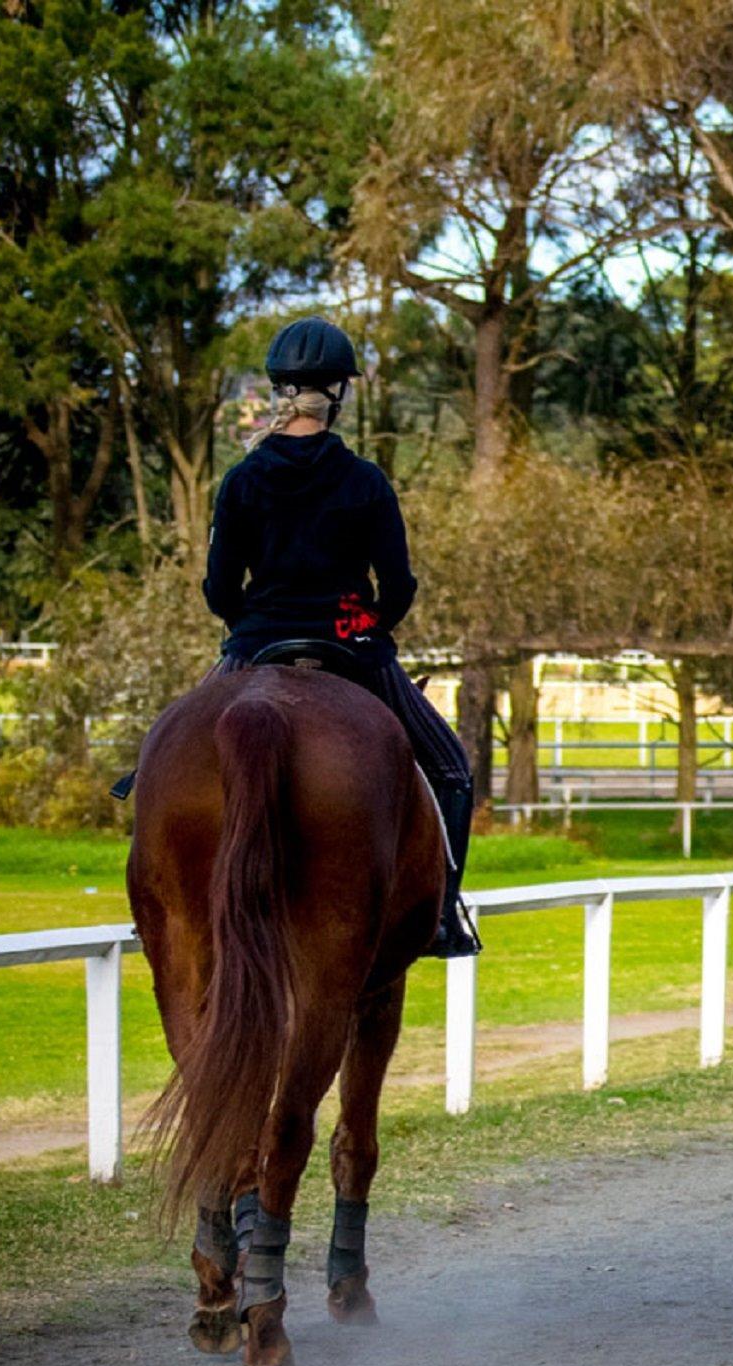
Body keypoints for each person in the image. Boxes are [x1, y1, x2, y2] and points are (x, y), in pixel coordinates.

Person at [202, 316, 481, 958]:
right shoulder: (366, 482)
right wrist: (371, 624)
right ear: (339, 393)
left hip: (256, 643)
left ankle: (158, 899)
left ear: (279, 390)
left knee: (152, 761)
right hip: (350, 642)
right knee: (450, 769)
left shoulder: (240, 481)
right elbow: (401, 584)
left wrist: (251, 623)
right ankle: (443, 917)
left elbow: (219, 589)